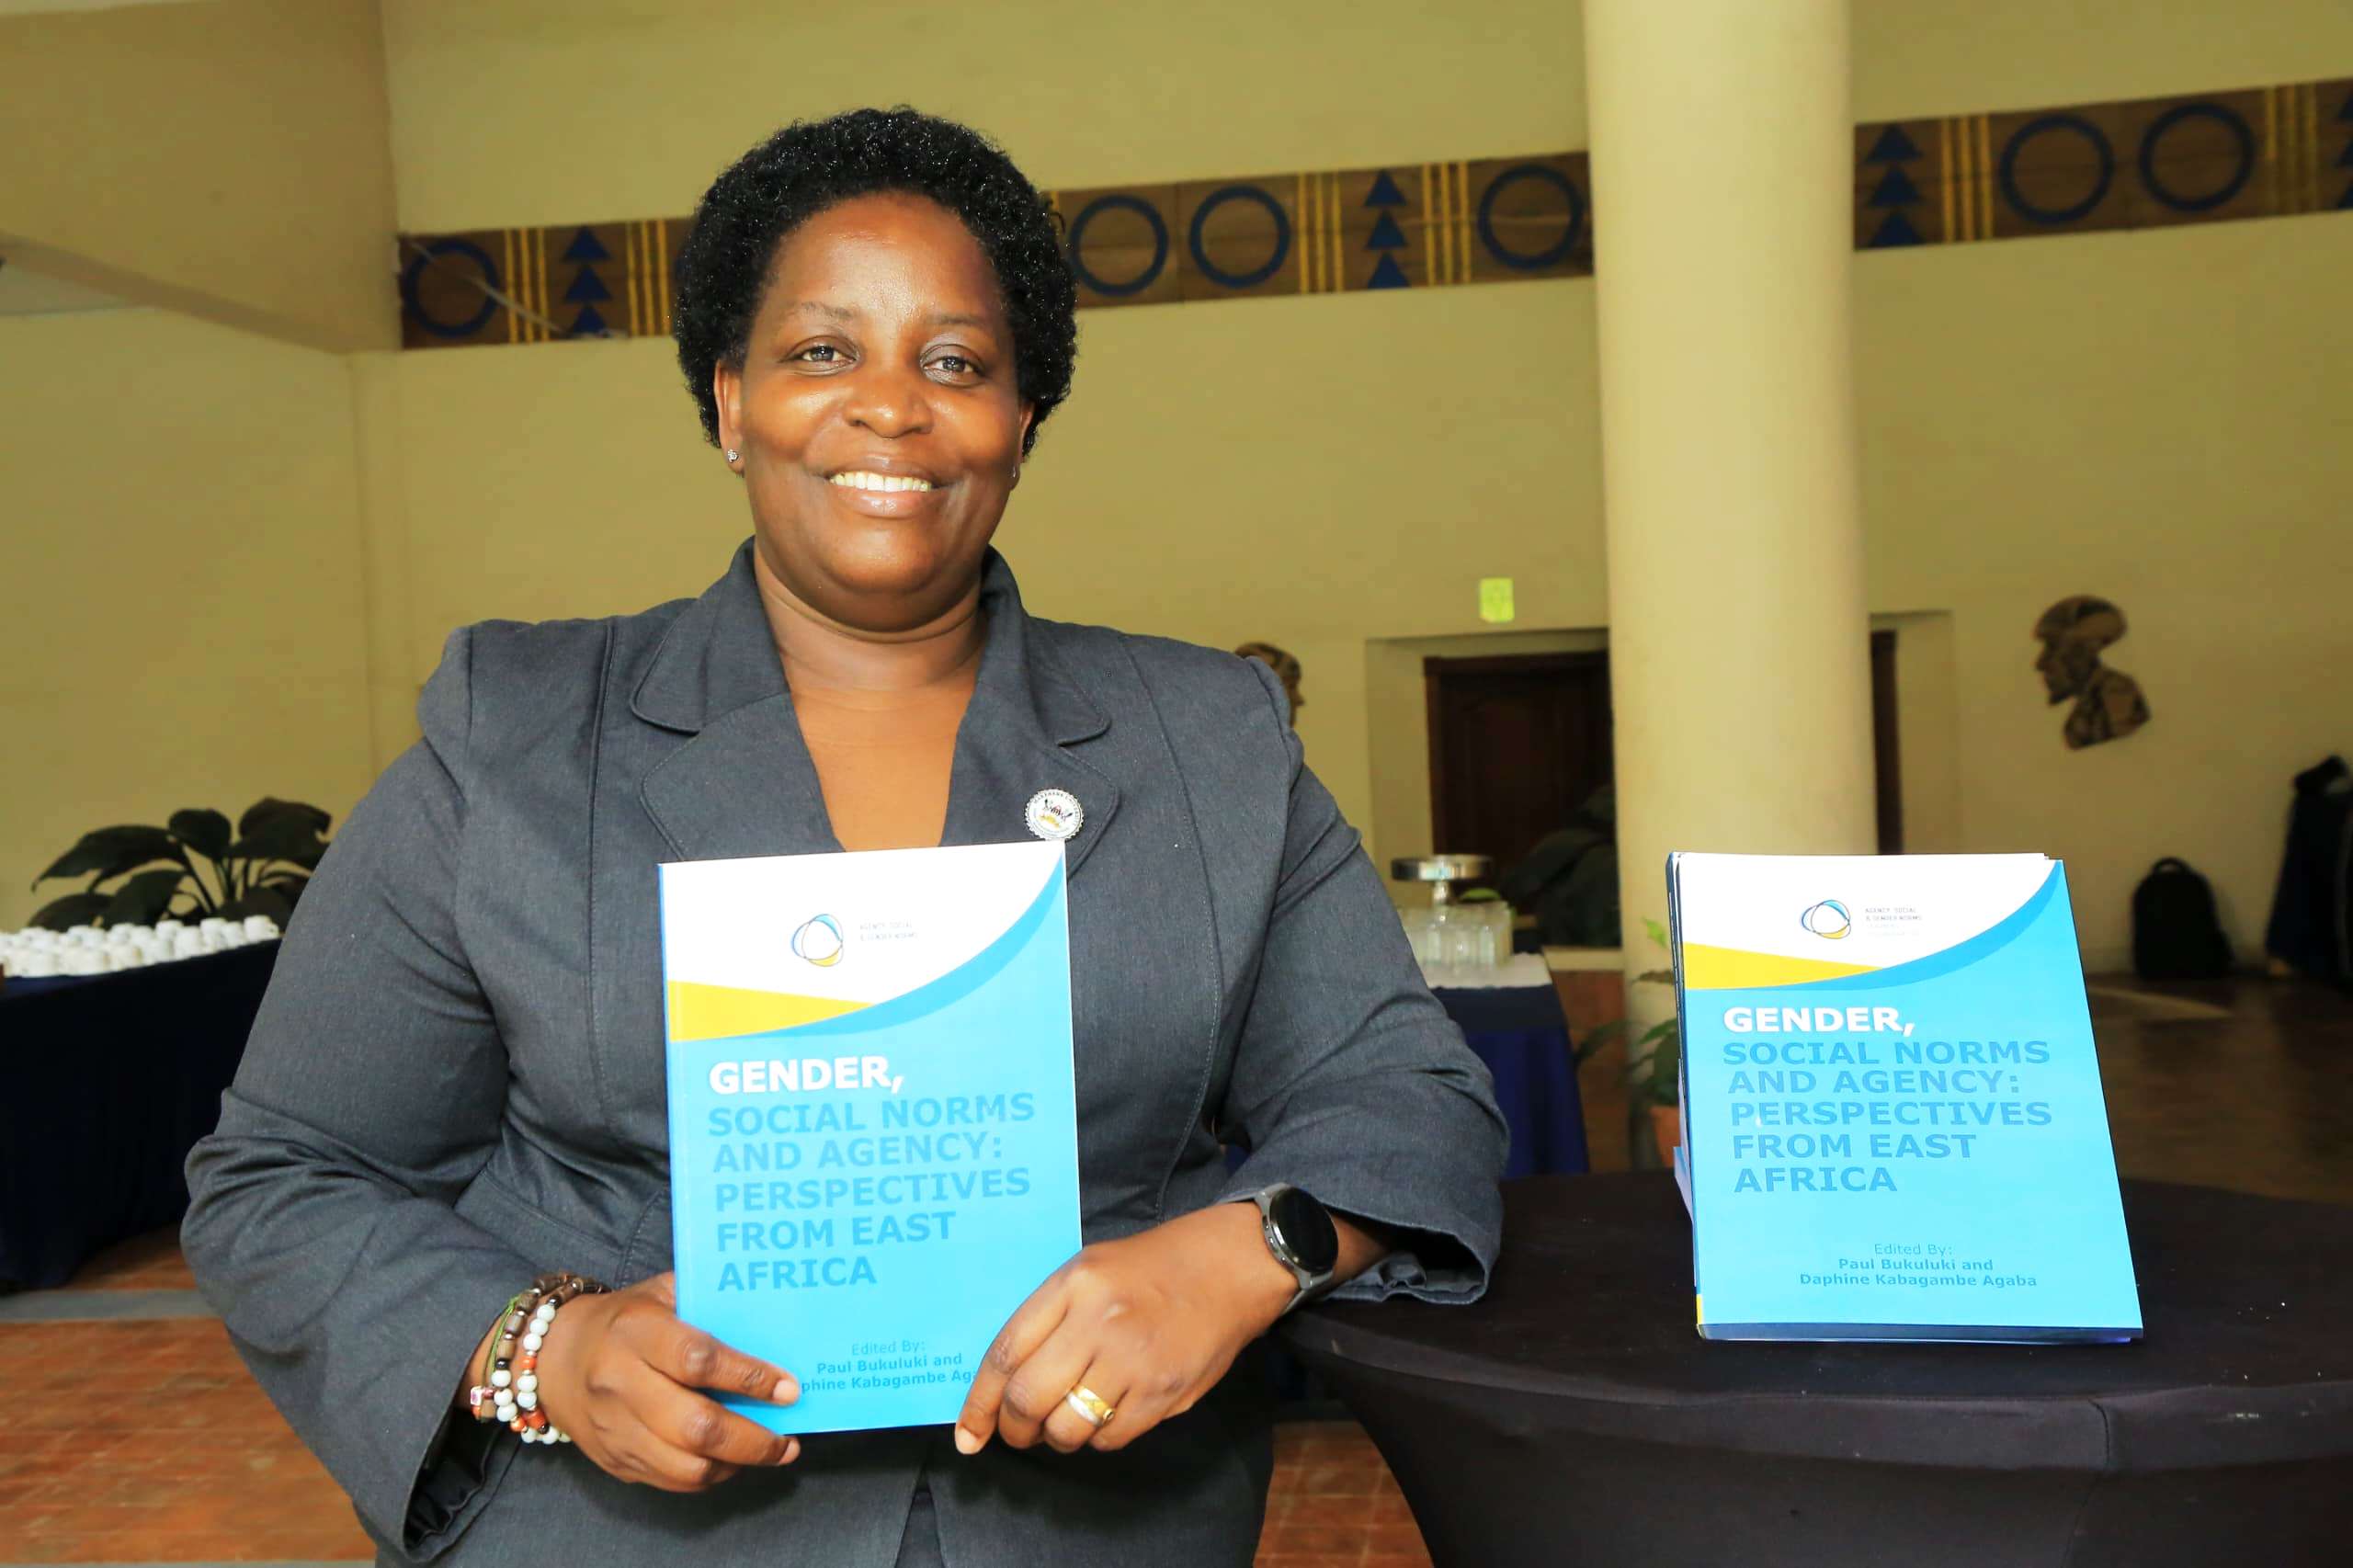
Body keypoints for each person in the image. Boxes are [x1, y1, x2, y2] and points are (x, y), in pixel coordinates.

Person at [183, 108, 1505, 1568]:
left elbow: (1409, 1096)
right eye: (824, 353)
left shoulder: (1208, 742)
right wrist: (544, 1347)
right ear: (731, 398)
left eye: (957, 362)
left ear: (1022, 422)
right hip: (615, 1535)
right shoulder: (517, 740)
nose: (892, 406)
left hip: (1093, 1524)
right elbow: (287, 1173)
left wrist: (1245, 1252)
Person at [2032, 594, 2150, 749]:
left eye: (2053, 647)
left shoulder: (2115, 695)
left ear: (2085, 651)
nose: (2040, 664)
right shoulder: (2087, 708)